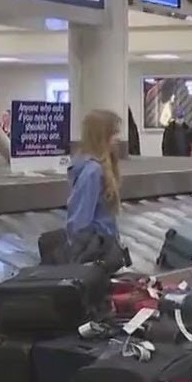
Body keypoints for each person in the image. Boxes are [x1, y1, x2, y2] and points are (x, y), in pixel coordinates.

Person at [65, 109, 125, 270]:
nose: (117, 140)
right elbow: (79, 219)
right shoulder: (93, 171)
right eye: (113, 135)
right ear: (101, 137)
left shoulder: (99, 167)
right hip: (96, 254)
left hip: (103, 248)